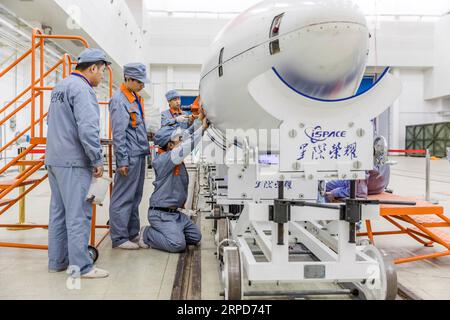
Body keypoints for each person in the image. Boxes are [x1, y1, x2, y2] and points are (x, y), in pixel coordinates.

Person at [46, 48, 111, 279]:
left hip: (54, 160)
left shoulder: (60, 87)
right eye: (102, 71)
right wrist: (96, 159)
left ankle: (57, 262)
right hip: (74, 162)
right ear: (93, 68)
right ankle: (81, 268)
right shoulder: (83, 90)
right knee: (78, 215)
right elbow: (87, 129)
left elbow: (51, 121)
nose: (102, 76)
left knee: (58, 213)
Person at [138, 110, 209, 253]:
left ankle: (173, 231)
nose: (181, 141)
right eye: (178, 140)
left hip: (175, 214)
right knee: (178, 245)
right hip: (161, 214)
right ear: (170, 145)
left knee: (196, 237)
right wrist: (202, 130)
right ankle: (147, 233)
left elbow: (186, 137)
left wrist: (199, 120)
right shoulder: (164, 160)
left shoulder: (171, 153)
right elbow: (187, 145)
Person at [109, 63, 150, 250]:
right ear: (129, 79)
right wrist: (122, 160)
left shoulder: (134, 98)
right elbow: (118, 134)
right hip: (130, 156)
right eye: (140, 82)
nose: (143, 85)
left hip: (140, 153)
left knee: (135, 196)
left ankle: (132, 233)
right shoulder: (119, 100)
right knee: (123, 197)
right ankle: (119, 237)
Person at [325, 164, 391, 202]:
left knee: (323, 188)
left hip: (359, 187)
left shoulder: (363, 160)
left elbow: (358, 192)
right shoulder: (381, 152)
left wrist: (334, 193)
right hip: (378, 188)